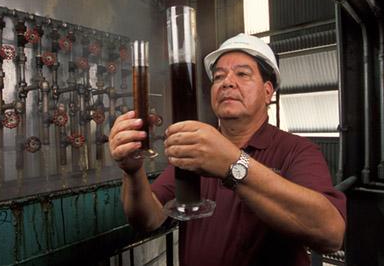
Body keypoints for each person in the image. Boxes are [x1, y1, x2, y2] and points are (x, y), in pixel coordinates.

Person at [109, 33, 346, 266]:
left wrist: (233, 163)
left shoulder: (296, 151)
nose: (227, 82)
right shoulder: (196, 150)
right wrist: (132, 172)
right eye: (219, 76)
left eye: (242, 74)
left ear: (267, 92)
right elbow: (148, 219)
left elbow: (331, 234)